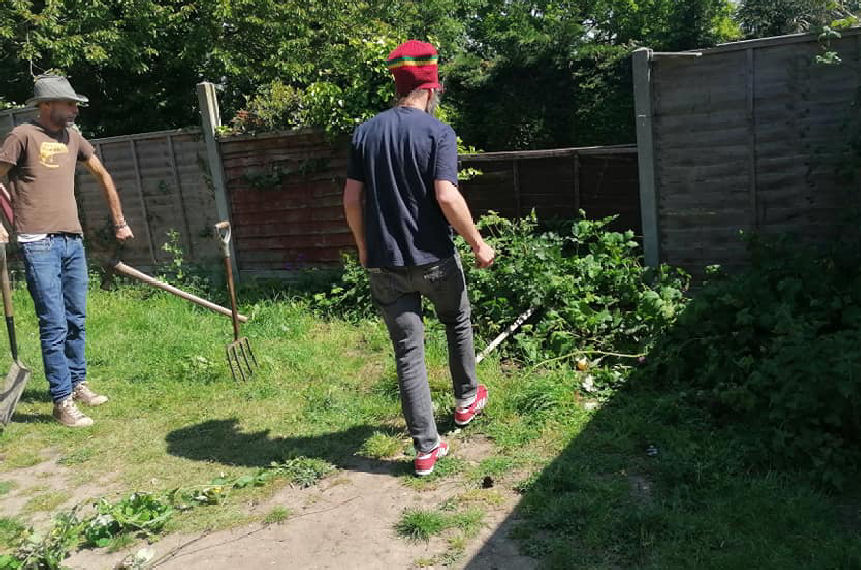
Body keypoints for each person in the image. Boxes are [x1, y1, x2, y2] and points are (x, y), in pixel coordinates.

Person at [343, 40, 495, 476]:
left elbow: (351, 200)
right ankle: (466, 401)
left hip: (384, 264)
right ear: (431, 87)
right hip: (435, 260)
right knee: (456, 320)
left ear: (398, 86)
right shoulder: (438, 132)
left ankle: (426, 448)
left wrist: (363, 247)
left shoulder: (365, 133)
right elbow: (446, 195)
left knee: (408, 352)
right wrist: (478, 244)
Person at [0, 74, 134, 427]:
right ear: (47, 105)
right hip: (37, 241)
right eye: (70, 103)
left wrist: (119, 220)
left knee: (76, 318)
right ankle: (61, 402)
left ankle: (77, 384)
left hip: (72, 240)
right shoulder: (22, 136)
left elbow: (102, 174)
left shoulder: (73, 137)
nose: (75, 109)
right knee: (54, 323)